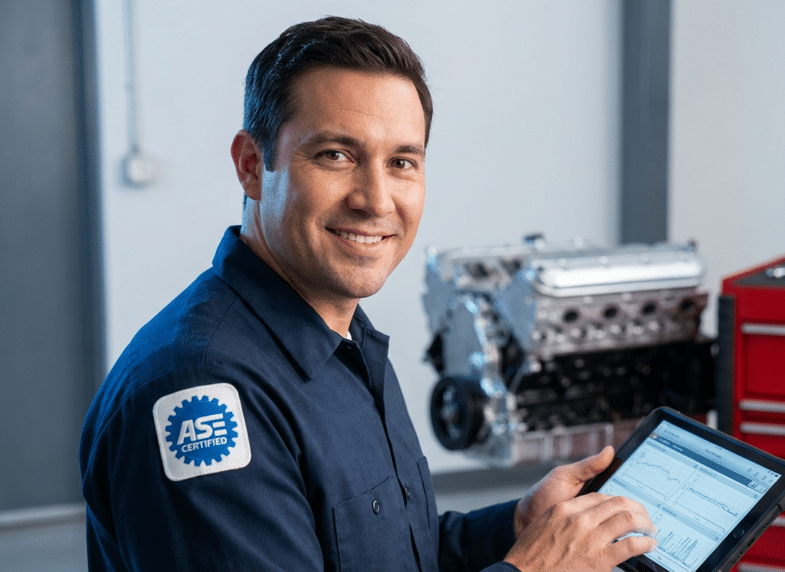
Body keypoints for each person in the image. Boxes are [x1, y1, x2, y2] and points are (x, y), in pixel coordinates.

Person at [79, 16, 656, 572]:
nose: (377, 199)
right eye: (336, 155)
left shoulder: (346, 342)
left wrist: (516, 528)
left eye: (402, 162)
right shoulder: (201, 388)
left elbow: (392, 551)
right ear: (253, 165)